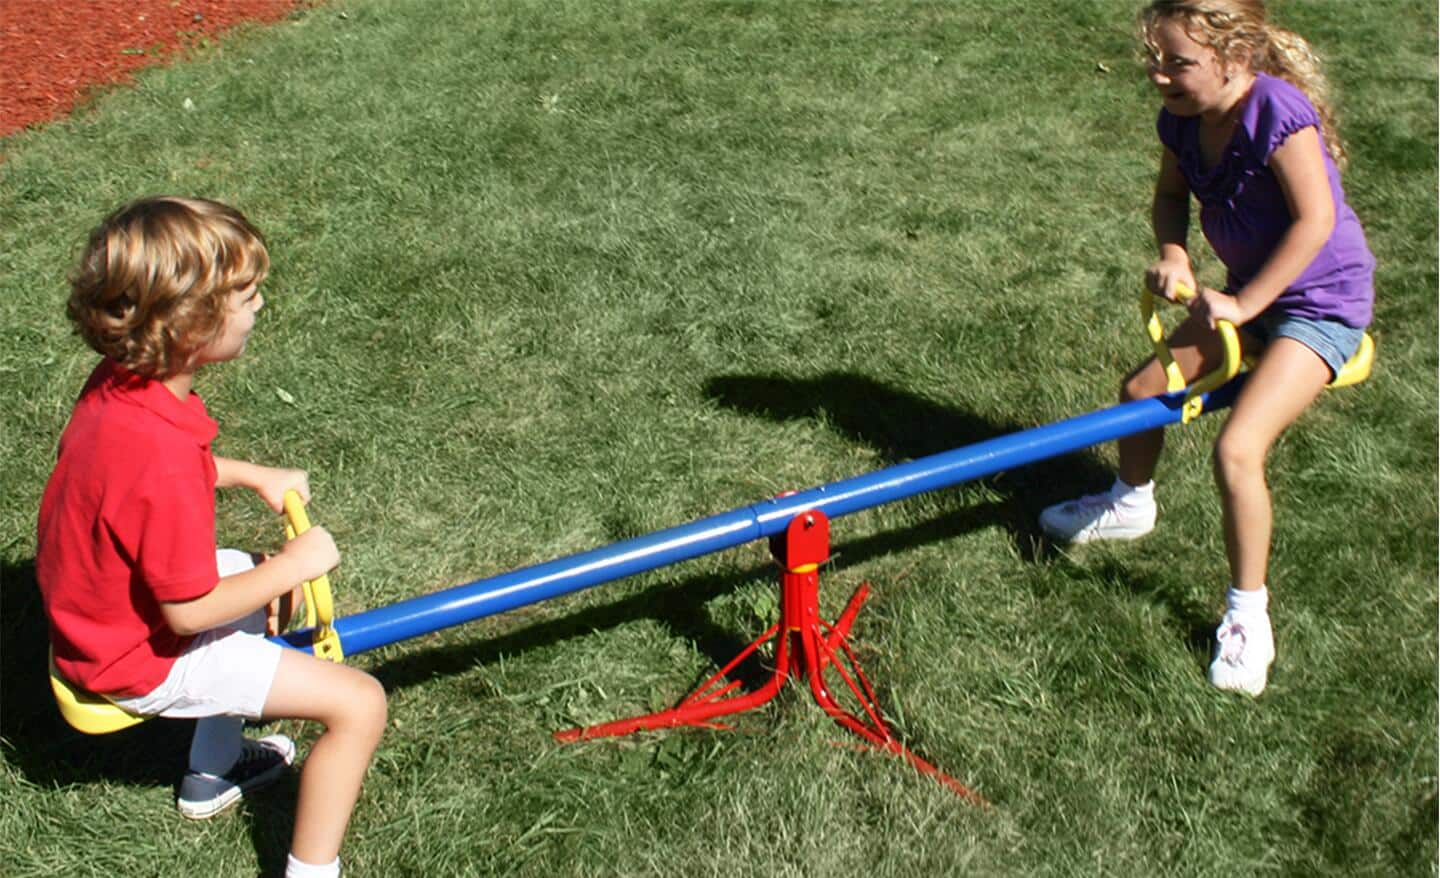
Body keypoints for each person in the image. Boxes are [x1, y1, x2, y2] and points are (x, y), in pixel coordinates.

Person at [37, 196, 387, 878]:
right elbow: (190, 611)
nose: (260, 304)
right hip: (136, 657)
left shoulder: (120, 389)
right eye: (247, 294)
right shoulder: (159, 457)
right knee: (358, 703)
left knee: (259, 587)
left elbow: (134, 481)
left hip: (96, 618)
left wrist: (250, 474)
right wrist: (296, 562)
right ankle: (312, 871)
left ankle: (213, 773)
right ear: (191, 325)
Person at [1039, 0, 1374, 697]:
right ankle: (1131, 502)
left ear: (1237, 56)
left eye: (1178, 63)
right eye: (1155, 61)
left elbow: (1317, 222)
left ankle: (1249, 615)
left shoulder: (1278, 113)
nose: (1160, 77)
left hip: (1318, 305)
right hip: (1248, 292)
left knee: (1236, 449)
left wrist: (1247, 306)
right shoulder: (1184, 121)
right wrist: (1175, 256)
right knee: (1140, 394)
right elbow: (1169, 197)